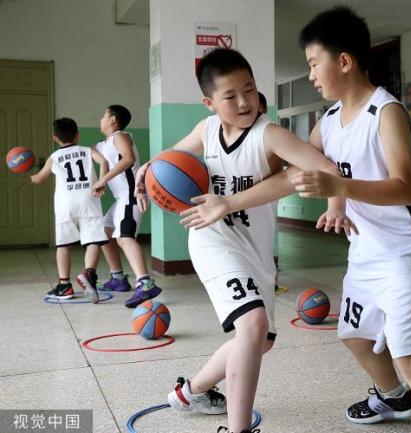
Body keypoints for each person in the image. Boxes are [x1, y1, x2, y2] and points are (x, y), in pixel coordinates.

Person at [134, 48, 351, 433]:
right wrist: (147, 172)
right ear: (210, 103)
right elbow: (169, 159)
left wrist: (336, 204)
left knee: (260, 341)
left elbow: (326, 167)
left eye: (249, 90)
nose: (244, 101)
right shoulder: (206, 130)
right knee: (251, 327)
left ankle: (193, 391)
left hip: (256, 249)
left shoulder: (270, 134)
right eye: (230, 96)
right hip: (212, 240)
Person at [292, 6, 411, 432]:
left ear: (344, 61)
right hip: (366, 249)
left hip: (408, 248)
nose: (311, 75)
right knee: (354, 336)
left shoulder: (384, 112)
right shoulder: (328, 122)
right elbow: (298, 163)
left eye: (315, 64)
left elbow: (405, 186)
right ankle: (394, 399)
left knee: (410, 355)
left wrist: (340, 191)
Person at [30, 117, 108, 303]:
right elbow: (103, 161)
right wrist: (101, 182)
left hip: (66, 204)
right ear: (78, 135)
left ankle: (64, 286)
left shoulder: (54, 157)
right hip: (89, 199)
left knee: (64, 244)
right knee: (93, 240)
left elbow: (39, 179)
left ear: (55, 138)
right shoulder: (88, 150)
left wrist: (29, 174)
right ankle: (89, 274)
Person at [93, 104, 162, 308]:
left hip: (130, 196)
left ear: (113, 119)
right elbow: (96, 156)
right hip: (119, 199)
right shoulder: (103, 143)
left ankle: (145, 282)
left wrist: (103, 179)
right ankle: (118, 279)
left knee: (125, 238)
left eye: (103, 115)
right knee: (104, 233)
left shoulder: (120, 136)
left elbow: (129, 159)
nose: (101, 119)